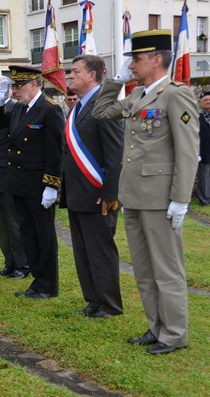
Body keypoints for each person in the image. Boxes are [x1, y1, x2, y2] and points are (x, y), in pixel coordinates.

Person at [92, 29, 199, 354]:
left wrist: (181, 198)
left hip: (161, 197)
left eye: (136, 60)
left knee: (167, 270)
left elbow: (186, 150)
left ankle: (175, 334)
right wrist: (115, 81)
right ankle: (157, 327)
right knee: (144, 268)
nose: (132, 66)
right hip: (134, 195)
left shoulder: (175, 94)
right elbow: (101, 112)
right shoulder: (138, 94)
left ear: (156, 59)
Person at [0, 66, 63, 299]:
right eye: (13, 87)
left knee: (45, 237)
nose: (15, 91)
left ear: (34, 85)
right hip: (19, 184)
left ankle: (48, 285)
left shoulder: (49, 110)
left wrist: (52, 185)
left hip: (39, 186)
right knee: (27, 235)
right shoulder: (21, 109)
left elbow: (55, 151)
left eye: (19, 87)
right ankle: (38, 281)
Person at [61, 55, 124, 318]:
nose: (70, 76)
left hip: (98, 195)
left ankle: (109, 305)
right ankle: (93, 300)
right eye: (70, 72)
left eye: (75, 72)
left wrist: (110, 193)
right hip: (78, 193)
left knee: (100, 252)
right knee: (83, 251)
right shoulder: (79, 107)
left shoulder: (105, 106)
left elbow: (115, 155)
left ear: (93, 75)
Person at [0, 76, 29, 279]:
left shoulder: (15, 110)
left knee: (13, 224)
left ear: (7, 89)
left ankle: (22, 265)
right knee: (0, 225)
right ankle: (9, 262)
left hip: (7, 177)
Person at [197, 91, 210, 206]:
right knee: (204, 177)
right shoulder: (196, 117)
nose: (208, 102)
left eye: (209, 100)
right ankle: (204, 200)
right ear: (201, 103)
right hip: (203, 151)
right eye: (205, 100)